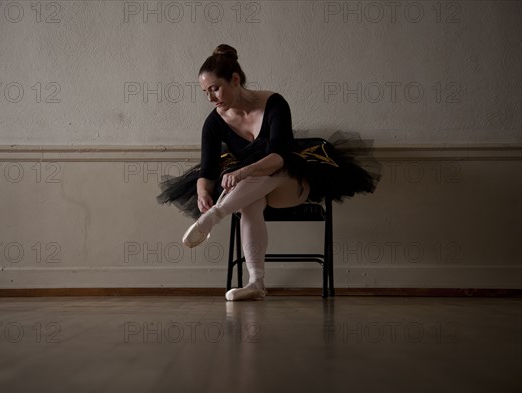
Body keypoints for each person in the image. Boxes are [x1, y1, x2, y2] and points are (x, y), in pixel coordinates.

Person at [158, 44, 381, 301]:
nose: (210, 98)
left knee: (271, 167)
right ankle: (256, 283)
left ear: (235, 79)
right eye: (205, 92)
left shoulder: (274, 103)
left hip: (289, 184)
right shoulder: (213, 122)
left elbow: (279, 157)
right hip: (252, 193)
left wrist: (241, 174)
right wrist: (201, 194)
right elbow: (206, 171)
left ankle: (214, 217)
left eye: (215, 88)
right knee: (250, 204)